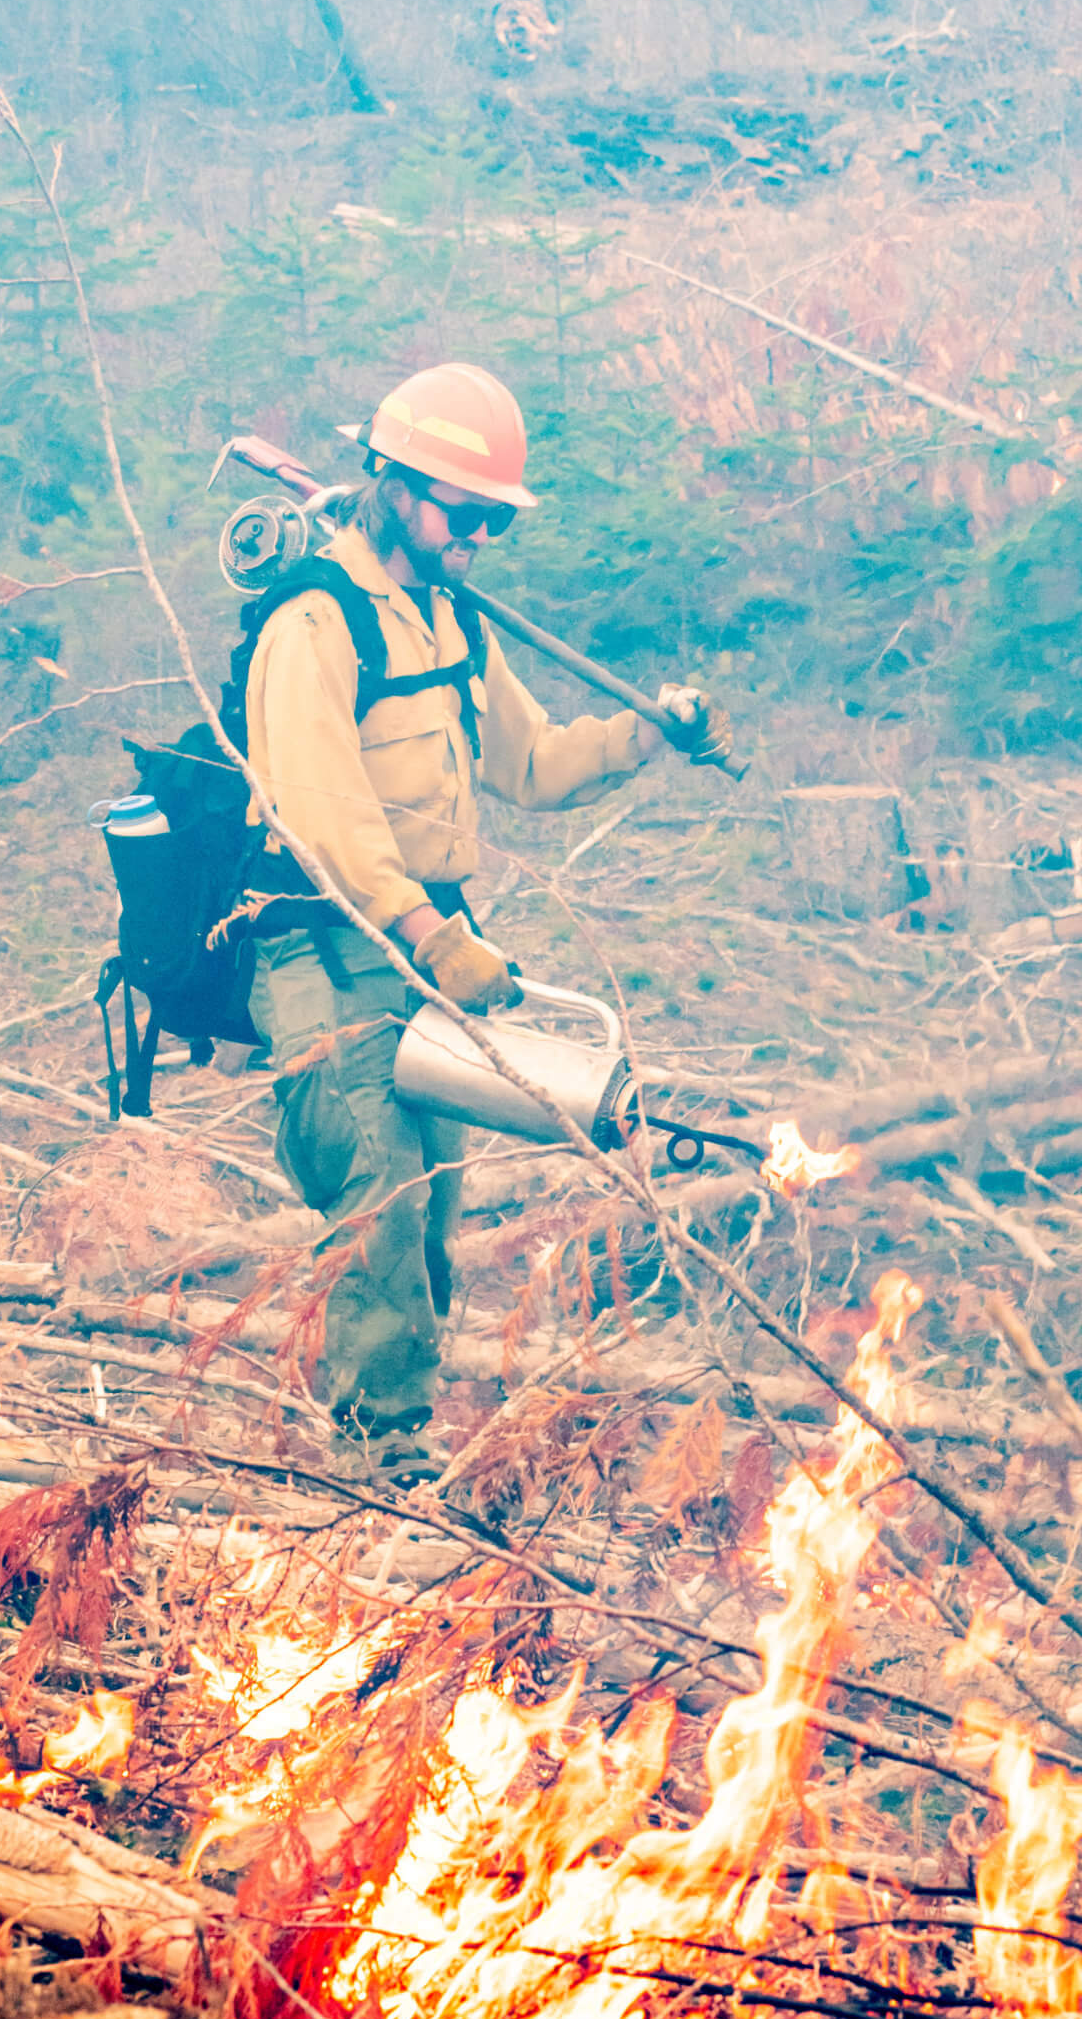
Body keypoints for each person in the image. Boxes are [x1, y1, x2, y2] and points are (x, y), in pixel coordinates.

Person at [239, 363, 731, 1481]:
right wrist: (430, 937)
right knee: (380, 1198)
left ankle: (392, 1434)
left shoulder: (446, 615)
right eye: (461, 515)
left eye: (492, 521)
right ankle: (373, 1458)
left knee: (436, 1200)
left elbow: (530, 759)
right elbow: (323, 816)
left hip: (421, 953)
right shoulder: (313, 621)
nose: (476, 539)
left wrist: (642, 736)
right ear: (394, 488)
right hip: (324, 946)